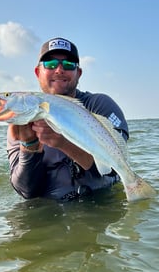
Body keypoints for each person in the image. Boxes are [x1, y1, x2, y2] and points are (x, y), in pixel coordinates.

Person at [7, 37, 129, 201]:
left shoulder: (99, 105)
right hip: (50, 215)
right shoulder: (21, 121)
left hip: (100, 207)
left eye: (69, 65)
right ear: (38, 72)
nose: (59, 70)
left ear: (78, 73)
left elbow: (112, 170)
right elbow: (26, 191)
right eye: (50, 64)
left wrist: (62, 142)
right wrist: (29, 146)